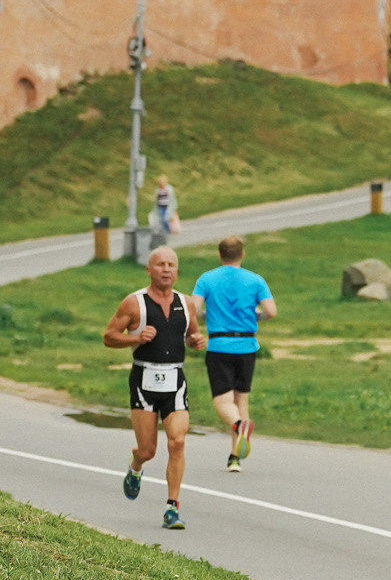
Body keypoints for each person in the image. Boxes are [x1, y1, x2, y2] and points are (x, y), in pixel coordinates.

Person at [103, 245, 203, 530]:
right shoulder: (133, 303)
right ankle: (136, 466)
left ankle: (172, 508)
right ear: (149, 270)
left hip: (175, 380)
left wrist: (196, 341)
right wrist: (135, 338)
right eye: (160, 264)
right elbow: (109, 336)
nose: (166, 269)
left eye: (171, 265)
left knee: (178, 441)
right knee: (148, 450)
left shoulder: (187, 303)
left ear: (177, 271)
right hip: (144, 380)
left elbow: (192, 332)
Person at [194, 235, 276, 472]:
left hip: (219, 345)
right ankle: (235, 457)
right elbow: (271, 310)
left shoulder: (207, 279)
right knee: (241, 399)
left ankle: (239, 425)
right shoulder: (255, 280)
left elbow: (194, 308)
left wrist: (204, 317)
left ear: (220, 255)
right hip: (247, 346)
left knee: (222, 400)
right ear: (242, 254)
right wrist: (256, 316)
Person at [152, 176, 180, 241]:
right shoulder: (158, 190)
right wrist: (154, 210)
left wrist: (175, 208)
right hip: (160, 207)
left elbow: (173, 199)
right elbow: (156, 201)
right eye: (160, 183)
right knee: (162, 219)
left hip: (168, 207)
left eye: (163, 183)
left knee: (166, 219)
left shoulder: (169, 189)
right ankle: (165, 230)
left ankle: (167, 230)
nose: (162, 184)